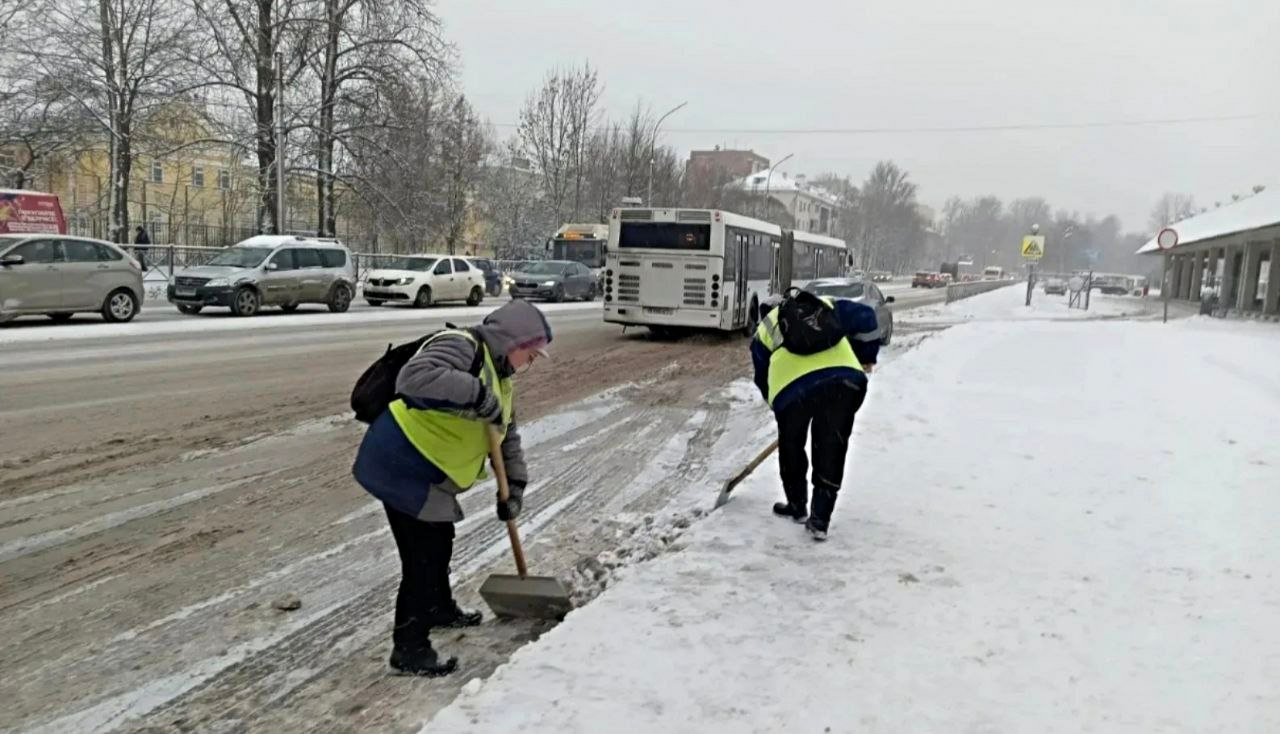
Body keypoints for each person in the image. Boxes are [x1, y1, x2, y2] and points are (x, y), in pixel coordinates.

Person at [352, 299, 552, 676]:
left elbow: (506, 437)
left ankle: (439, 608)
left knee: (439, 540)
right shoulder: (462, 345)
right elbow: (414, 377)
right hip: (401, 463)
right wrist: (476, 394)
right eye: (532, 354)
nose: (532, 363)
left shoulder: (501, 378)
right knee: (423, 558)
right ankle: (410, 648)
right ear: (514, 342)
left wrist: (515, 487)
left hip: (429, 472)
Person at [750, 291, 880, 541]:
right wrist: (866, 358)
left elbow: (761, 375)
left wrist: (777, 405)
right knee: (831, 447)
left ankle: (797, 506)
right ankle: (820, 519)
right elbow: (867, 316)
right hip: (844, 381)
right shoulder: (825, 305)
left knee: (792, 447)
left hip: (792, 391)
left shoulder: (765, 328)